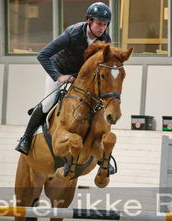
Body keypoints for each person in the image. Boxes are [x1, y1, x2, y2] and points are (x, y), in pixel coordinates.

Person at [16, 2, 112, 155]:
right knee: (48, 103)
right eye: (99, 24)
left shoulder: (105, 39)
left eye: (105, 25)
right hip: (59, 71)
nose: (102, 28)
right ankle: (26, 138)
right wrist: (59, 76)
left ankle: (103, 153)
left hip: (79, 77)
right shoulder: (72, 33)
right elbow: (43, 55)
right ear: (89, 21)